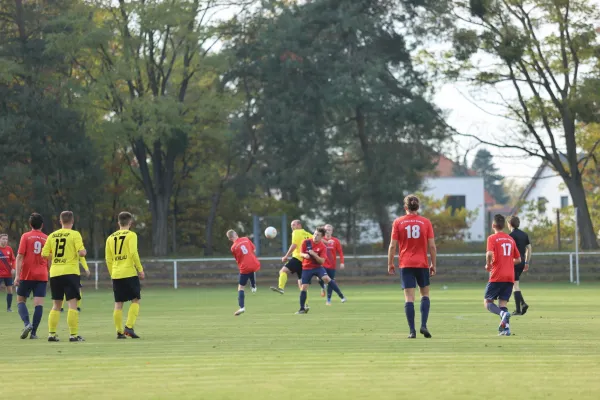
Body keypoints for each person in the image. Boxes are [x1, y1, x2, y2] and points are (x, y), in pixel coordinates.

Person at [388, 195, 437, 339]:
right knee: (425, 295)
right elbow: (432, 246)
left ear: (405, 207)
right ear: (418, 207)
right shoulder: (425, 222)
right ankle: (424, 325)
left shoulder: (398, 222)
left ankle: (412, 331)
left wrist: (390, 262)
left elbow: (392, 246)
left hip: (406, 264)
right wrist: (433, 263)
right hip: (422, 263)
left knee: (409, 298)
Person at [41, 211, 89, 342]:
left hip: (55, 272)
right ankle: (73, 335)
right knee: (72, 304)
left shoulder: (52, 235)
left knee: (56, 304)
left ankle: (51, 334)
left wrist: (55, 258)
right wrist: (83, 251)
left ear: (60, 221)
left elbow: (44, 254)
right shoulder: (75, 234)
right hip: (70, 272)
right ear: (72, 221)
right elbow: (82, 253)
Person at [105, 212, 145, 339]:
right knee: (135, 300)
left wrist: (113, 273)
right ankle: (129, 327)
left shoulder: (110, 237)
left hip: (116, 274)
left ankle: (119, 332)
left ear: (118, 223)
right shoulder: (131, 235)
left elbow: (108, 258)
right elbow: (133, 253)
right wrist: (140, 269)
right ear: (130, 223)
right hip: (129, 272)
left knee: (118, 303)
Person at [484, 214, 521, 336]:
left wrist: (488, 264)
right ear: (504, 226)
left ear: (493, 225)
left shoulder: (492, 238)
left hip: (497, 275)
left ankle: (502, 314)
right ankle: (506, 329)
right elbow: (518, 259)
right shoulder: (510, 239)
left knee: (488, 302)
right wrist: (507, 262)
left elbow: (489, 254)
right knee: (503, 304)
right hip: (509, 276)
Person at [14, 213, 48, 339]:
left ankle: (27, 323)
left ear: (30, 224)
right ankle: (33, 333)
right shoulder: (46, 238)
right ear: (42, 225)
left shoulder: (25, 236)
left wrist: (17, 275)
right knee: (38, 304)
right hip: (41, 275)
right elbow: (48, 258)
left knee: (21, 300)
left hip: (26, 274)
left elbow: (20, 256)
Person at [296, 227, 346, 314]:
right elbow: (300, 253)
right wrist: (305, 255)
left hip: (317, 267)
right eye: (314, 234)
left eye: (318, 235)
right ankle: (301, 309)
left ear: (322, 237)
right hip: (306, 268)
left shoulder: (323, 247)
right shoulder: (306, 242)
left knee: (326, 278)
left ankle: (341, 295)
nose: (315, 236)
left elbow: (321, 261)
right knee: (304, 287)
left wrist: (314, 255)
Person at [270, 220, 312, 295]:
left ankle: (281, 288)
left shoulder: (296, 232)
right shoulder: (309, 235)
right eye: (291, 225)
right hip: (306, 262)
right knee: (302, 286)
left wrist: (286, 256)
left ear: (299, 225)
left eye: (293, 225)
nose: (292, 227)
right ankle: (305, 304)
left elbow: (294, 245)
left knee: (283, 271)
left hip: (298, 258)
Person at [227, 230, 261, 316]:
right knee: (251, 269)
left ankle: (242, 307)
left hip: (245, 267)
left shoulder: (233, 247)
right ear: (236, 234)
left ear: (230, 238)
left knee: (241, 288)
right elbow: (254, 249)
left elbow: (238, 259)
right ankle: (253, 285)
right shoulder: (246, 239)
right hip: (254, 263)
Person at [508, 216, 531, 315]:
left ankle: (518, 309)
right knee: (514, 284)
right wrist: (526, 262)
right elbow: (529, 249)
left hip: (514, 262)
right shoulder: (524, 235)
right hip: (521, 262)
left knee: (515, 285)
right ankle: (522, 304)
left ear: (509, 224)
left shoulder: (510, 236)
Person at [317, 224, 345, 304]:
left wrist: (342, 262)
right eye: (326, 229)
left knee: (331, 282)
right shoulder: (320, 239)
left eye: (329, 230)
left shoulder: (335, 241)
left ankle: (328, 300)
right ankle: (322, 286)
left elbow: (340, 252)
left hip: (332, 265)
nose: (327, 231)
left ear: (332, 231)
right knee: (320, 278)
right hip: (322, 263)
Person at [0, 233, 16, 312]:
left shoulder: (9, 249)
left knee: (10, 290)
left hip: (8, 274)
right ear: (0, 239)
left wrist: (13, 268)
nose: (5, 241)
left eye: (6, 239)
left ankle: (9, 308)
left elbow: (13, 260)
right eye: (3, 239)